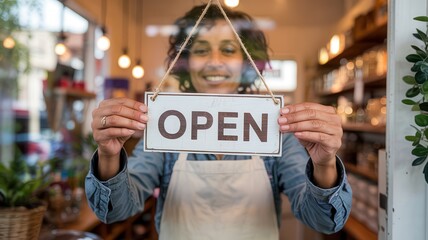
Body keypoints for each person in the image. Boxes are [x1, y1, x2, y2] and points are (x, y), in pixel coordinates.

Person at [85, 3, 352, 240]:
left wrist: (324, 162)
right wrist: (109, 155)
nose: (214, 62)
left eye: (227, 50)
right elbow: (115, 210)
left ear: (247, 63)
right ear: (186, 63)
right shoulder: (166, 126)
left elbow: (324, 221)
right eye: (201, 50)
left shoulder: (275, 130)